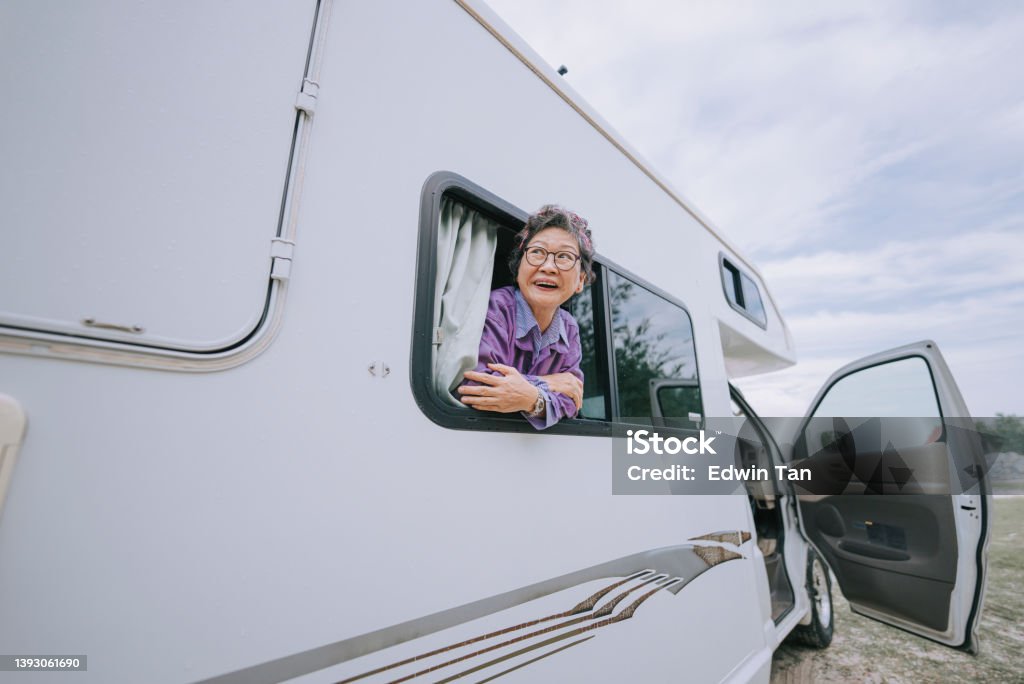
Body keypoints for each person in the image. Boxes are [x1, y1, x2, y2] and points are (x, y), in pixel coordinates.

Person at [457, 205, 595, 429]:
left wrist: (533, 399)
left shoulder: (569, 328)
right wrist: (548, 383)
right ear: (518, 267)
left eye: (564, 257)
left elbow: (572, 399)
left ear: (580, 280)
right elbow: (476, 385)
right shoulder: (496, 307)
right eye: (537, 252)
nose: (548, 267)